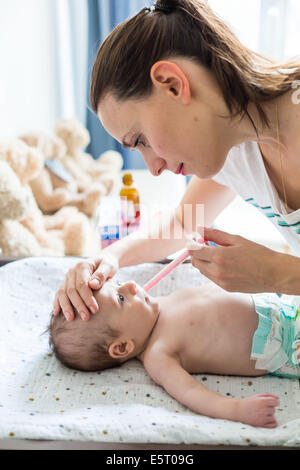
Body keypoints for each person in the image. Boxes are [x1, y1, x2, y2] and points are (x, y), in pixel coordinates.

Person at [53, 0, 300, 322]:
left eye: (139, 140)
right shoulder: (233, 146)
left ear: (172, 84)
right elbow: (183, 224)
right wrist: (108, 258)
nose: (154, 168)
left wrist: (279, 273)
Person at [49, 278, 300, 428]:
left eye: (119, 284)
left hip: (286, 305)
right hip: (289, 346)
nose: (131, 285)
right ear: (123, 347)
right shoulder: (158, 355)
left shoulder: (154, 307)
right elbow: (192, 394)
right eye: (121, 298)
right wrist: (237, 410)